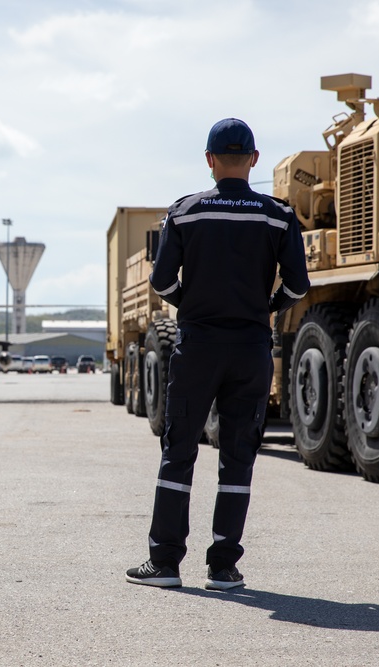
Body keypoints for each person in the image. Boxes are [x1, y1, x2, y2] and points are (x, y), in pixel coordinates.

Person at [126, 118, 310, 591]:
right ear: (254, 159)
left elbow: (162, 282)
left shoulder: (185, 213)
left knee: (179, 450)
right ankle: (223, 566)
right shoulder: (277, 215)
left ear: (209, 161)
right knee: (238, 456)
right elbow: (297, 285)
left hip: (198, 346)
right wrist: (264, 309)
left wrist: (194, 307)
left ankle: (165, 563)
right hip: (251, 348)